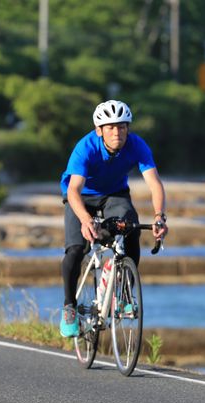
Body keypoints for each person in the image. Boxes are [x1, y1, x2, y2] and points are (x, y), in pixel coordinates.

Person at [59, 100, 168, 337]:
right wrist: (86, 220)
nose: (117, 132)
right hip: (81, 197)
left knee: (131, 229)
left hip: (115, 195)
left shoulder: (137, 145)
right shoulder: (85, 148)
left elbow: (154, 184)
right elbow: (73, 190)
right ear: (99, 130)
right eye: (110, 128)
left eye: (121, 127)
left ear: (128, 128)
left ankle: (125, 294)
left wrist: (160, 217)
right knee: (76, 249)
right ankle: (69, 306)